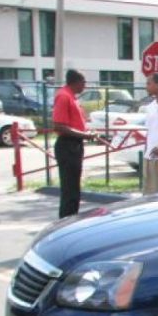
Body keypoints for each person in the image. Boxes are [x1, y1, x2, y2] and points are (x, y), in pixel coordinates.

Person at [52, 69, 96, 218]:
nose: (84, 86)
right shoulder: (64, 96)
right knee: (69, 188)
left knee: (74, 188)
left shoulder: (72, 97)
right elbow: (59, 126)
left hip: (75, 145)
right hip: (67, 145)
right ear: (76, 82)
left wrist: (86, 131)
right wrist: (85, 135)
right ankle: (66, 219)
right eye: (83, 83)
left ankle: (72, 217)